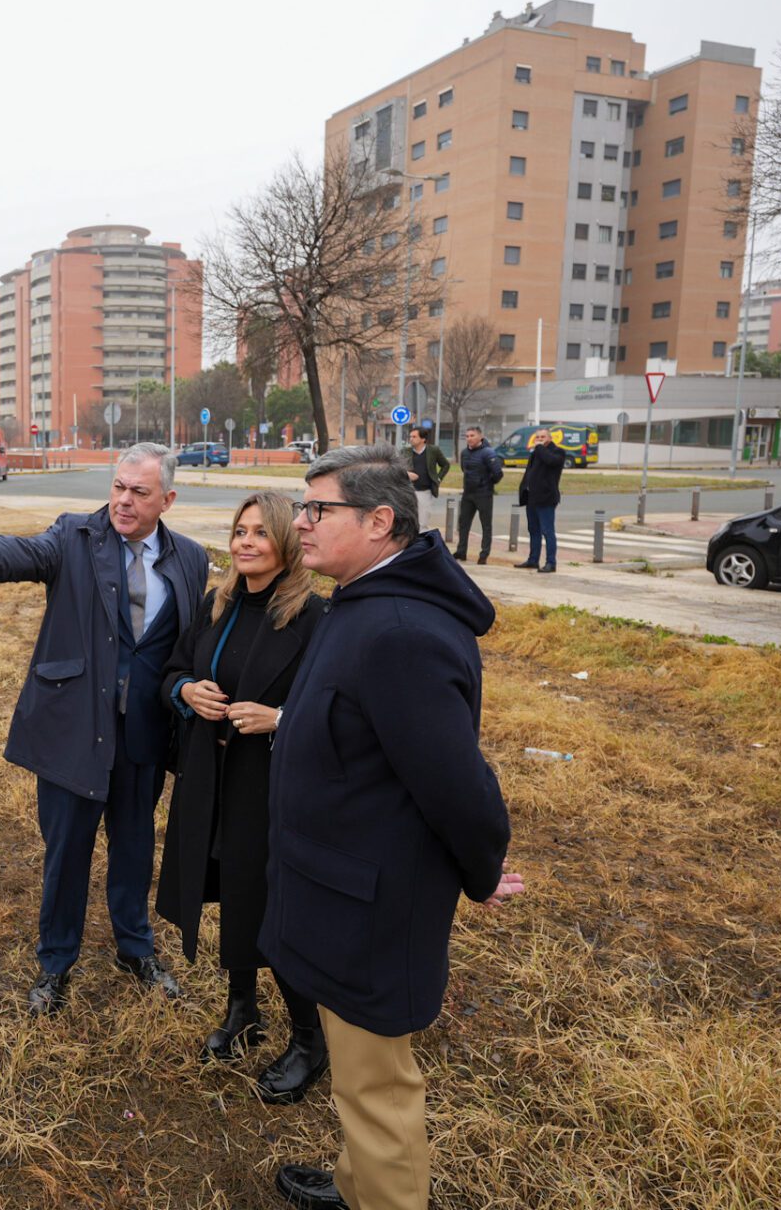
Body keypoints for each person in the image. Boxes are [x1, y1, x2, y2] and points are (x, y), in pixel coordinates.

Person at [263, 444, 523, 1210]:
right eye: (301, 508)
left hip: (373, 904)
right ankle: (359, 1183)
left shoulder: (400, 630)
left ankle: (384, 1197)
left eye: (318, 511)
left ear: (381, 521)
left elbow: (457, 785)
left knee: (378, 1085)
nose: (300, 525)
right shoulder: (363, 603)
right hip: (343, 887)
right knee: (357, 1068)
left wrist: (480, 873)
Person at [0, 444, 210, 1016]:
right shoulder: (73, 537)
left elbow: (190, 643)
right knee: (67, 854)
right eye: (118, 487)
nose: (124, 500)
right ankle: (56, 964)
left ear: (168, 499)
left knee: (135, 849)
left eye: (139, 492)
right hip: (73, 730)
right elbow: (20, 554)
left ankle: (134, 949)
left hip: (142, 735)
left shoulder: (189, 557)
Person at [157, 491, 329, 1102]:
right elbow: (173, 671)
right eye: (239, 530)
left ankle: (311, 1039)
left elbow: (338, 708)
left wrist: (282, 717)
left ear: (287, 542)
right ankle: (243, 1011)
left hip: (272, 786)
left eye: (260, 532)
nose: (245, 542)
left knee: (271, 905)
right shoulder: (217, 603)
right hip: (212, 778)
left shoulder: (315, 616)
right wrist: (186, 693)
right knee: (232, 892)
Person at [515, 432, 568, 573]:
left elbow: (550, 461)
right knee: (533, 530)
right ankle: (533, 560)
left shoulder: (558, 452)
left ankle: (551, 562)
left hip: (546, 498)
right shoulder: (536, 453)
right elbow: (530, 472)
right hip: (532, 497)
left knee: (547, 531)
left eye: (542, 437)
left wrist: (539, 448)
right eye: (537, 437)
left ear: (550, 438)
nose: (539, 440)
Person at [452, 427, 504, 565]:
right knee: (463, 524)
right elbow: (465, 469)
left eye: (472, 435)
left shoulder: (488, 453)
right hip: (468, 493)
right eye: (467, 436)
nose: (469, 438)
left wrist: (486, 484)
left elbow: (498, 474)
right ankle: (461, 551)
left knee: (486, 525)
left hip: (484, 494)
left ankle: (484, 555)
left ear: (480, 437)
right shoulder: (464, 453)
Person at [402, 428, 448, 532]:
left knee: (422, 523)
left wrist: (438, 478)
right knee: (408, 521)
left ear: (423, 439)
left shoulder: (433, 451)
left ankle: (421, 545)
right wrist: (406, 474)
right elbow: (397, 467)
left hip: (424, 491)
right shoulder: (405, 451)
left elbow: (445, 465)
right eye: (410, 436)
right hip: (408, 491)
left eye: (414, 437)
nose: (411, 439)